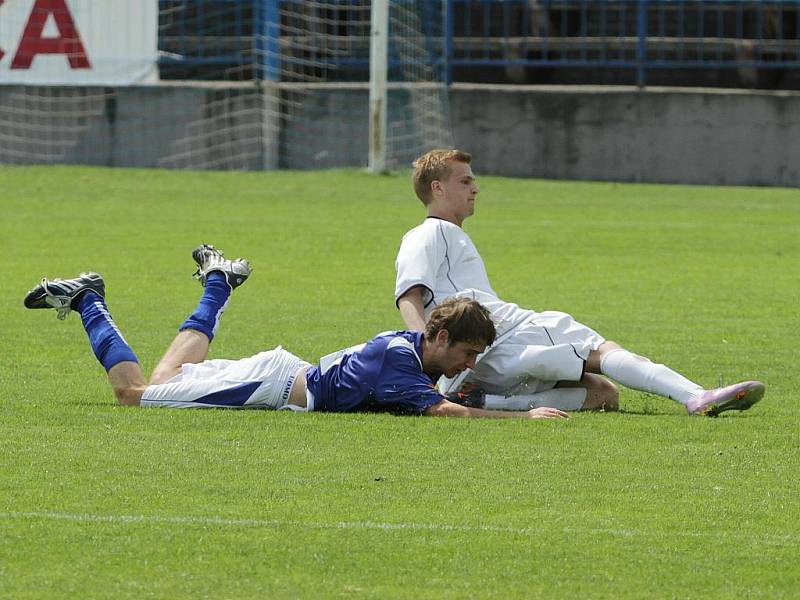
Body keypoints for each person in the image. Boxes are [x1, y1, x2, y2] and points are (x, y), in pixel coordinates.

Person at [394, 149, 765, 416]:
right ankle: (696, 396)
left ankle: (486, 403)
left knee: (602, 394)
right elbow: (409, 295)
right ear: (437, 188)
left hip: (479, 360)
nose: (475, 189)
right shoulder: (430, 233)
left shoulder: (447, 235)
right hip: (509, 334)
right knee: (602, 351)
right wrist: (425, 358)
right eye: (465, 181)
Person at [23, 244, 569, 419]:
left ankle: (217, 282)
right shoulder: (401, 361)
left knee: (170, 375)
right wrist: (526, 417)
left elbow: (453, 394)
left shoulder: (415, 355)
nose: (470, 364)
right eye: (468, 353)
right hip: (274, 387)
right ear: (441, 338)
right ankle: (90, 301)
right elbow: (449, 413)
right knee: (134, 396)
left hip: (284, 375)